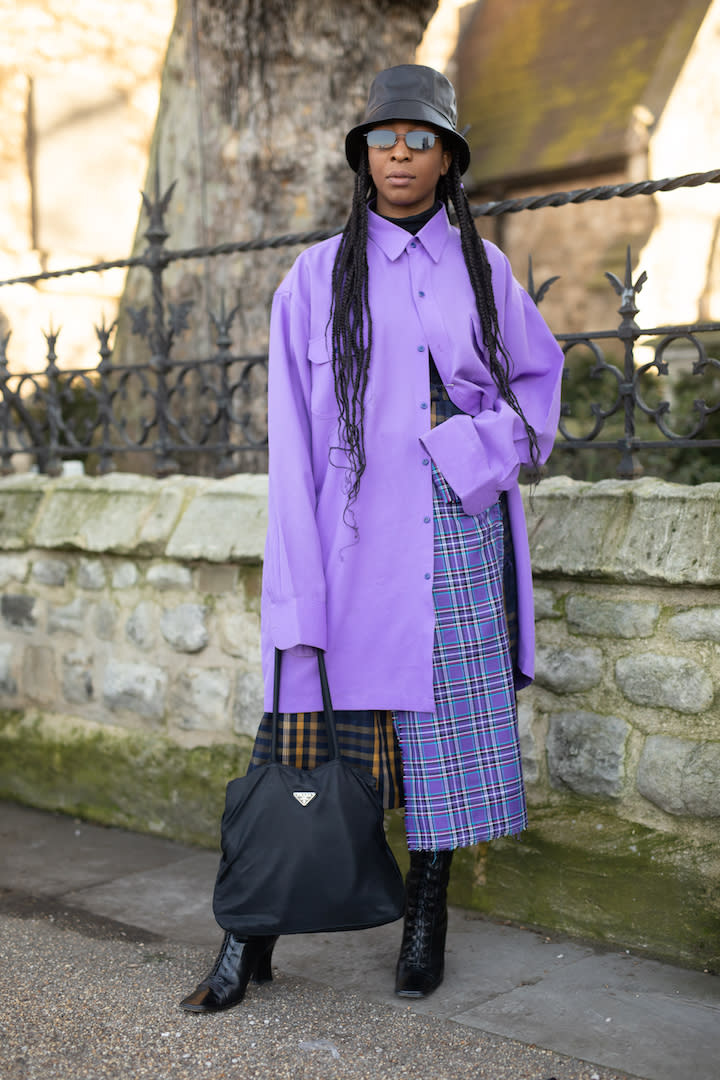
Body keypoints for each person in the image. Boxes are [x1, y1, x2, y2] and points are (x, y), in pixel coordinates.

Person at [180, 63, 563, 1014]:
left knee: (441, 745)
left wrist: (467, 448)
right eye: (385, 136)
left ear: (447, 158)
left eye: (420, 137)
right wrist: (297, 586)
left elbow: (537, 398)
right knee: (302, 737)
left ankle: (426, 916)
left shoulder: (487, 270)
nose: (401, 152)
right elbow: (292, 451)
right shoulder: (313, 278)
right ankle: (247, 935)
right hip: (347, 548)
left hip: (454, 538)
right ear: (363, 154)